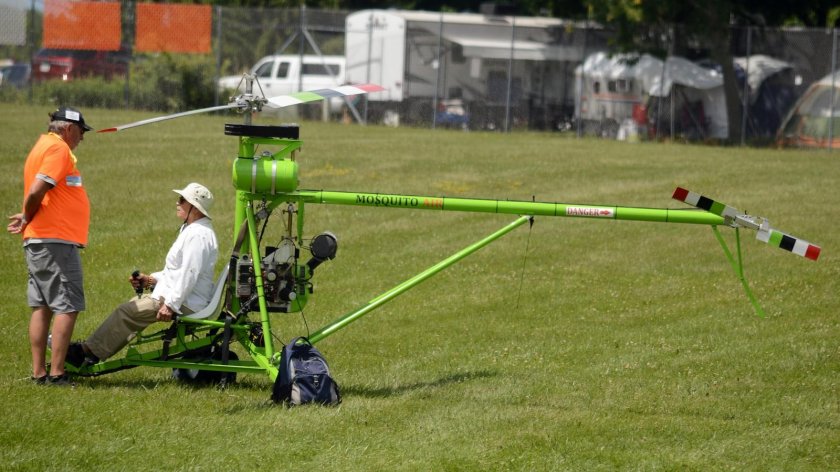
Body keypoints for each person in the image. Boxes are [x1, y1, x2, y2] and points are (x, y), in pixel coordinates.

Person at [67, 183, 219, 367]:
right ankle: (92, 352)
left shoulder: (198, 235)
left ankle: (83, 353)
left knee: (127, 312)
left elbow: (190, 274)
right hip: (184, 298)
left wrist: (170, 305)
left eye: (181, 200)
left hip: (186, 302)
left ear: (194, 207)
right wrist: (150, 280)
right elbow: (177, 272)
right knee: (133, 306)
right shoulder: (193, 230)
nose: (177, 203)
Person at [7, 106, 93, 386]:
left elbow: (39, 193)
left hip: (40, 238)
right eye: (81, 132)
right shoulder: (58, 150)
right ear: (68, 128)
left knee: (42, 306)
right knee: (68, 305)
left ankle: (39, 373)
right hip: (55, 240)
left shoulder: (42, 146)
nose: (81, 138)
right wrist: (29, 214)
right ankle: (57, 373)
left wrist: (27, 215)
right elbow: (36, 190)